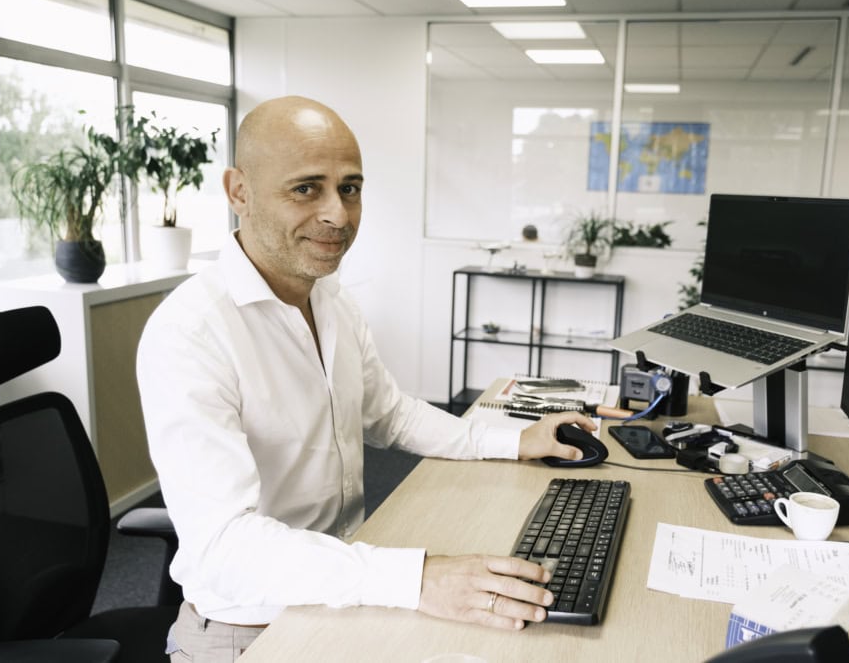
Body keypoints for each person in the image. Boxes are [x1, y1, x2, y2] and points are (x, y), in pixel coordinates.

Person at [135, 95, 598, 662]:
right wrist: (418, 579)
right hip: (250, 629)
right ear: (238, 192)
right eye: (306, 188)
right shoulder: (190, 333)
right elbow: (224, 546)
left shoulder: (329, 297)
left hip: (345, 586)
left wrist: (513, 440)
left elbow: (388, 413)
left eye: (350, 188)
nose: (338, 214)